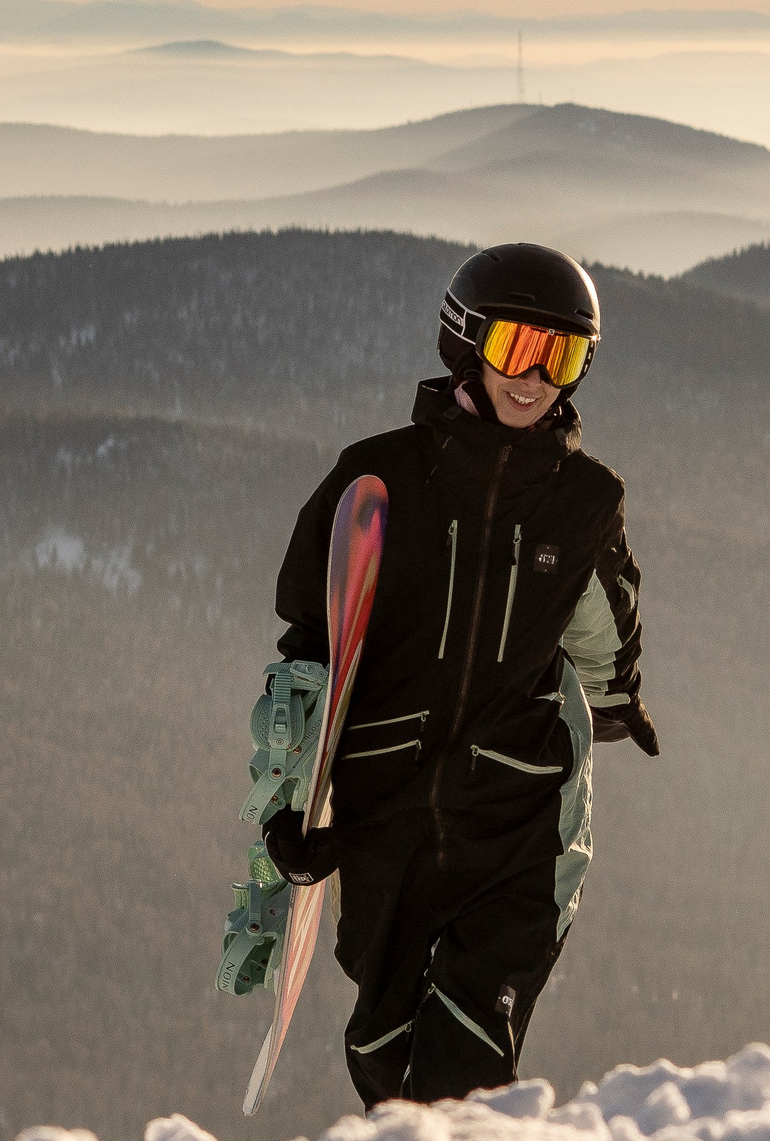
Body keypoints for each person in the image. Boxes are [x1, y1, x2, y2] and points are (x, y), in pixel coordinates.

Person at [260, 241, 660, 1107]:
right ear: (466, 341)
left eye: (565, 356)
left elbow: (603, 626)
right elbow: (308, 651)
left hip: (522, 821)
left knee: (468, 1063)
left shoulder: (584, 499)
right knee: (383, 1055)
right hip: (385, 819)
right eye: (520, 346)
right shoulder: (378, 480)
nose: (536, 377)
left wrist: (620, 698)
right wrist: (291, 803)